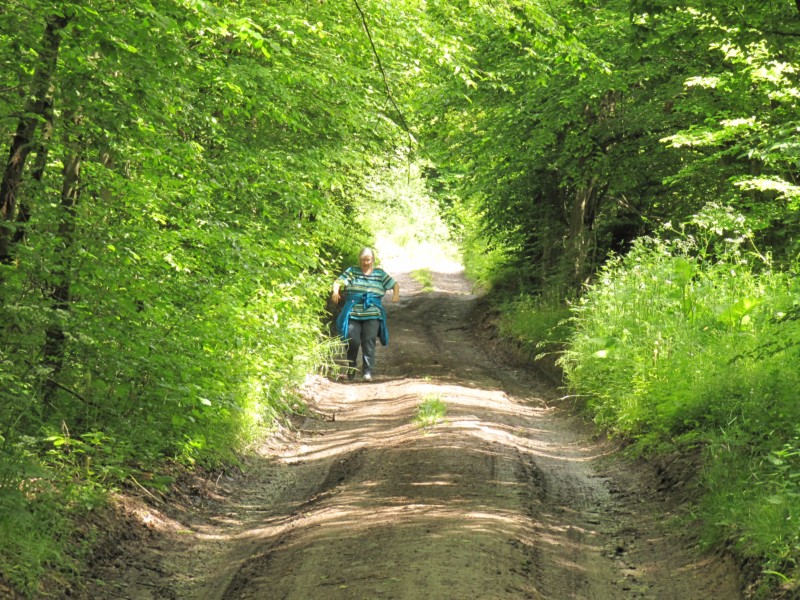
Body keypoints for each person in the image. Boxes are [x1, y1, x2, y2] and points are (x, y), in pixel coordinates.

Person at [331, 247, 400, 381]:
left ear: (373, 260)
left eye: (368, 260)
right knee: (352, 340)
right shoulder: (352, 271)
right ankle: (351, 369)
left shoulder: (379, 274)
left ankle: (367, 372)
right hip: (353, 313)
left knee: (368, 342)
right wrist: (335, 292)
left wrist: (396, 295)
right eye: (363, 260)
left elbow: (394, 284)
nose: (365, 262)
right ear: (359, 260)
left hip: (372, 314)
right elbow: (338, 282)